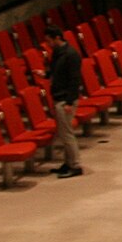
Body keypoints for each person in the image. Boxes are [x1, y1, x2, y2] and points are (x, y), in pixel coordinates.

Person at [43, 25, 85, 178]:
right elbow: (55, 71)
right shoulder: (57, 53)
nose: (47, 44)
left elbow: (75, 79)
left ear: (57, 38)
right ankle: (67, 163)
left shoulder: (71, 54)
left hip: (66, 99)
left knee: (67, 134)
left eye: (49, 41)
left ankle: (75, 165)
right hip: (58, 96)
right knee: (63, 133)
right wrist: (45, 74)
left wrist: (69, 102)